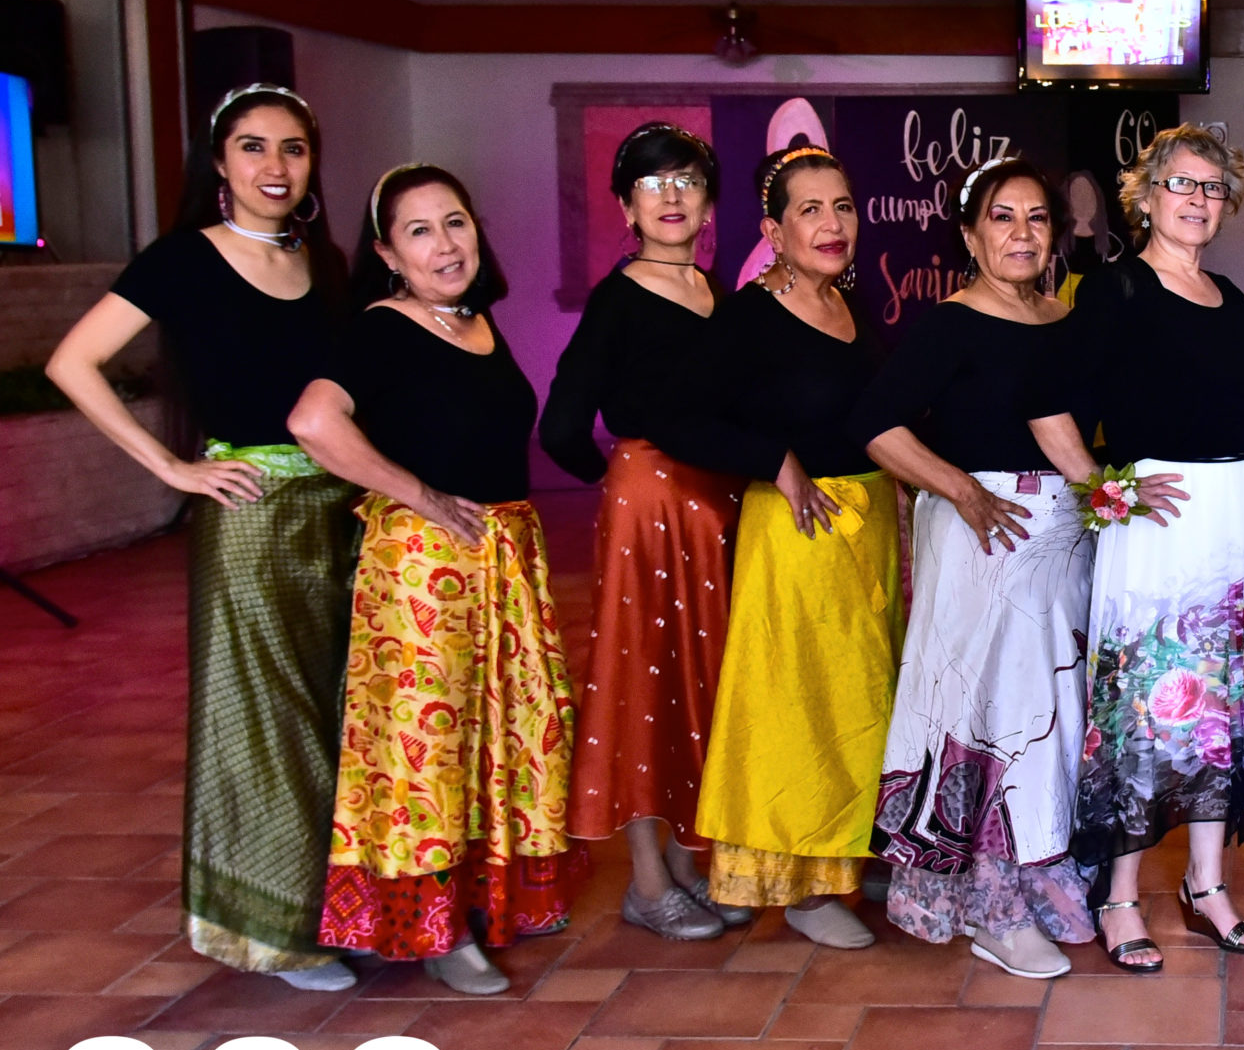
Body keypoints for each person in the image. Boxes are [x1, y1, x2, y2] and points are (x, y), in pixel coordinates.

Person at [46, 85, 360, 989]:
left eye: (293, 149)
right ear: (219, 163)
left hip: (337, 515)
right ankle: (280, 929)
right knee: (270, 723)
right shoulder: (181, 260)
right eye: (254, 147)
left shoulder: (327, 261)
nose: (275, 166)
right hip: (251, 517)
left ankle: (344, 906)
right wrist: (171, 468)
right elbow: (74, 362)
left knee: (340, 710)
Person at [288, 164, 581, 996]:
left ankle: (481, 904)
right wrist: (415, 494)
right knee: (429, 751)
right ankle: (431, 929)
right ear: (387, 252)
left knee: (508, 730)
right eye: (419, 231)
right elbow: (312, 420)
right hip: (424, 567)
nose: (445, 244)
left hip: (499, 557)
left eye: (454, 223)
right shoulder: (383, 327)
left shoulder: (473, 321)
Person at [1027, 123, 1244, 973]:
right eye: (1183, 184)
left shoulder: (1232, 298)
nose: (1199, 199)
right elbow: (1046, 399)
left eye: (1212, 187)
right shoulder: (1113, 290)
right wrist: (1105, 487)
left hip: (1235, 519)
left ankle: (1207, 885)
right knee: (1141, 709)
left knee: (1221, 711)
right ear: (1146, 196)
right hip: (1158, 524)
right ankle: (1120, 892)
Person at [858, 159, 1096, 979]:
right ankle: (990, 903)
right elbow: (874, 423)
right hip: (981, 531)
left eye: (1037, 218)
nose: (1023, 233)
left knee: (1051, 710)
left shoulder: (1065, 320)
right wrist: (958, 488)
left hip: (1061, 536)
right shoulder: (949, 325)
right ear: (970, 235)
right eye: (1004, 218)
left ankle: (1045, 878)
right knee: (986, 715)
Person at [670, 147, 895, 950]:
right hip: (798, 536)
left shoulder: (851, 305)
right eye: (809, 210)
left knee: (864, 702)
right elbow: (679, 416)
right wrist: (777, 461)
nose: (832, 224)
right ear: (772, 229)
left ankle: (846, 852)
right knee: (804, 709)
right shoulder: (747, 316)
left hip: (869, 531)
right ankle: (800, 886)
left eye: (842, 206)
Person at [539, 122, 744, 942]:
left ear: (708, 202)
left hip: (721, 505)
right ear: (626, 205)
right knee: (642, 686)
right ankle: (647, 880)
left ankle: (690, 860)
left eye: (686, 180)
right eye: (652, 184)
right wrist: (625, 485)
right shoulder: (617, 300)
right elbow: (561, 426)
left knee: (704, 683)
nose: (671, 196)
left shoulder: (719, 294)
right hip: (651, 511)